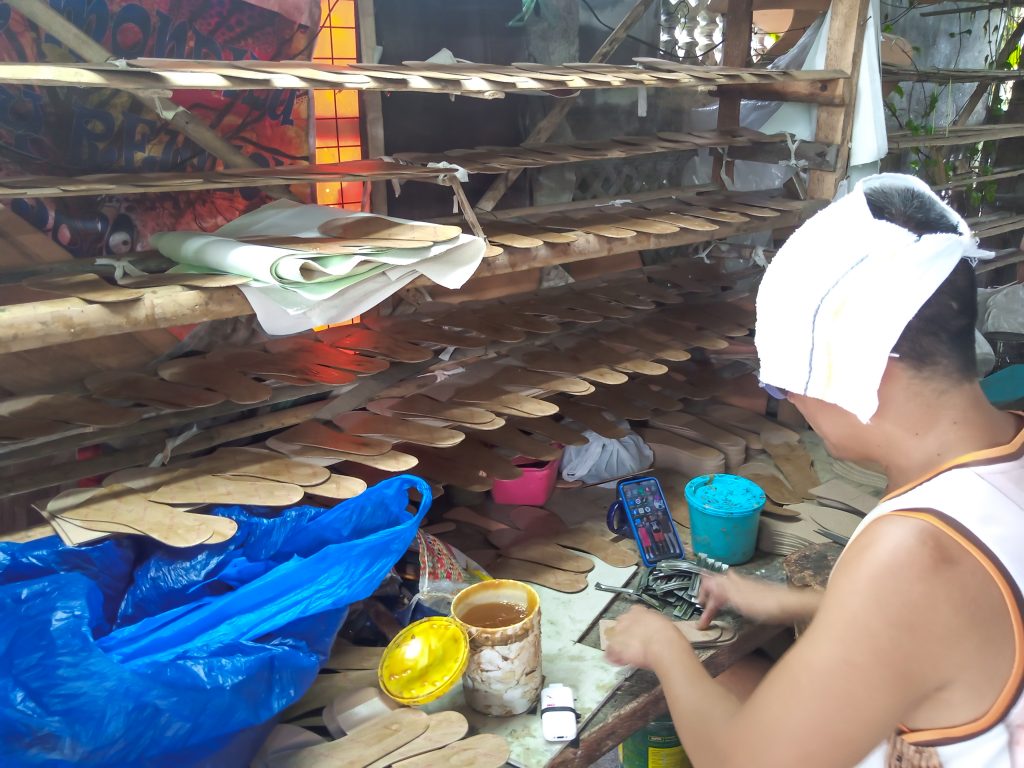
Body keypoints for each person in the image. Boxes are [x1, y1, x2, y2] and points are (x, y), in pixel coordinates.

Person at [604, 173, 1024, 768]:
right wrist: (803, 604)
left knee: (701, 694)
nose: (793, 403)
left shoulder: (914, 552)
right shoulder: (1004, 447)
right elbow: (959, 620)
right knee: (737, 679)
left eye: (786, 383)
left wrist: (663, 646)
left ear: (867, 369)